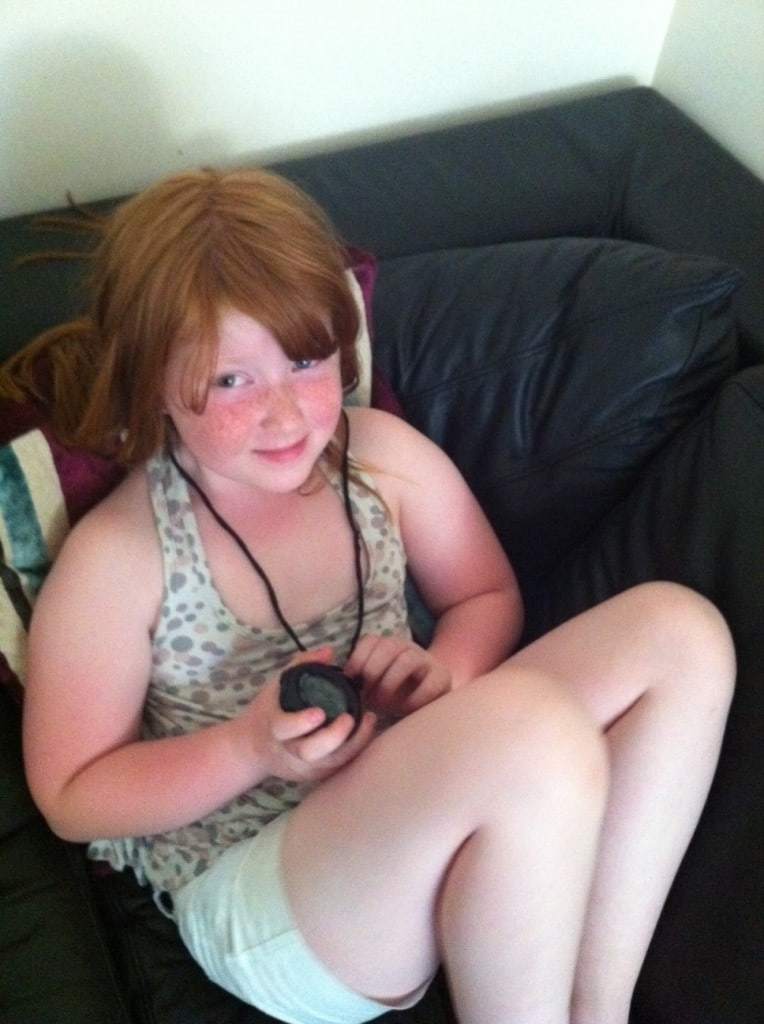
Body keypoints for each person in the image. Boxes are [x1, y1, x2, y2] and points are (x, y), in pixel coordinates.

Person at [14, 168, 735, 1024]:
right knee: (533, 730)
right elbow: (72, 794)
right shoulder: (123, 556)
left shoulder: (381, 458)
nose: (286, 413)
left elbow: (484, 594)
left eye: (307, 361)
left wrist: (442, 675)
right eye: (232, 381)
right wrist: (248, 749)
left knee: (679, 633)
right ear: (154, 384)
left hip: (425, 795)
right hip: (270, 889)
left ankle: (598, 1006)